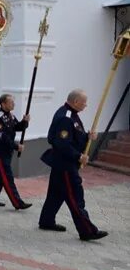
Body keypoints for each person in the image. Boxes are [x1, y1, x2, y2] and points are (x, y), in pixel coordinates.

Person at [38, 89, 108, 241]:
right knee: (75, 196)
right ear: (75, 102)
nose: (86, 105)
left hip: (62, 164)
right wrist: (79, 156)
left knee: (55, 194)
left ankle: (46, 221)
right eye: (84, 102)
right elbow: (62, 143)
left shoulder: (72, 115)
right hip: (65, 165)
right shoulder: (66, 117)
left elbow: (74, 137)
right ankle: (87, 230)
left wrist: (87, 137)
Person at [0, 94, 32, 210]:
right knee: (7, 177)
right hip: (0, 152)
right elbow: (3, 137)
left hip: (7, 152)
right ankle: (17, 202)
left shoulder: (10, 115)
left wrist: (25, 122)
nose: (13, 104)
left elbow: (18, 127)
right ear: (3, 104)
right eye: (11, 102)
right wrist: (16, 147)